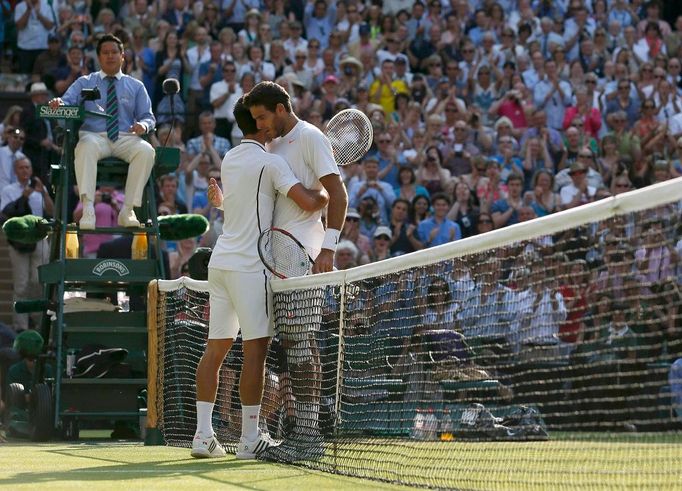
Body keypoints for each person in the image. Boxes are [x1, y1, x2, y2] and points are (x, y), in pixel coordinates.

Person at [192, 97, 329, 459]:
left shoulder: (231, 159)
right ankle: (250, 438)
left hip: (219, 263)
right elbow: (308, 201)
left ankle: (202, 436)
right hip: (250, 267)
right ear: (258, 125)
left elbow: (237, 204)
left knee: (215, 348)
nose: (269, 125)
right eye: (263, 121)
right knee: (256, 352)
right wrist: (325, 192)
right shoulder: (272, 163)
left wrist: (219, 202)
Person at [243, 81, 348, 461]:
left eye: (262, 117)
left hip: (304, 257)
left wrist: (328, 249)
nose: (260, 125)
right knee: (293, 346)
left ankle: (307, 435)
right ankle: (300, 431)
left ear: (281, 109)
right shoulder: (271, 145)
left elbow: (338, 194)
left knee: (303, 346)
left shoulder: (310, 137)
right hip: (275, 262)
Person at [48, 34, 156, 230]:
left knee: (147, 151)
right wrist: (58, 103)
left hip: (126, 137)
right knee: (85, 146)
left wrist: (144, 126)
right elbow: (66, 103)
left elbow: (148, 117)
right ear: (99, 57)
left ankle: (128, 209)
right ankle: (88, 208)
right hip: (94, 136)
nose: (110, 56)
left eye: (114, 52)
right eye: (105, 53)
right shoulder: (84, 82)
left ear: (123, 56)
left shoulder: (136, 86)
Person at [0, 157, 52, 332]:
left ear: (31, 170)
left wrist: (44, 192)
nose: (24, 171)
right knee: (21, 284)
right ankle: (20, 326)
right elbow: (5, 212)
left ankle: (38, 322)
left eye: (27, 167)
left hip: (40, 239)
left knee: (39, 281)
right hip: (19, 241)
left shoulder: (40, 189)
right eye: (21, 168)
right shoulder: (8, 190)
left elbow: (52, 212)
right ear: (16, 171)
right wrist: (24, 196)